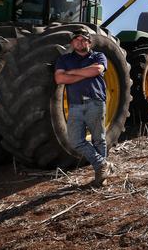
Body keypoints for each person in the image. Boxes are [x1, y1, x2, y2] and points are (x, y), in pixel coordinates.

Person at [54, 28, 115, 186]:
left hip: (95, 102)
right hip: (75, 105)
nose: (79, 42)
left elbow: (97, 70)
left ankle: (100, 177)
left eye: (83, 40)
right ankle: (103, 164)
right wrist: (85, 73)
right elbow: (60, 78)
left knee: (98, 139)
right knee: (75, 141)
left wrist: (72, 73)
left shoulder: (98, 56)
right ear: (72, 43)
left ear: (89, 42)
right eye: (76, 40)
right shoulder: (64, 59)